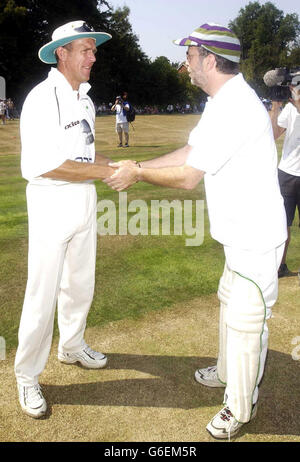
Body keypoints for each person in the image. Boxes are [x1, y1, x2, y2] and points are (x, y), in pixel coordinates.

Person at [104, 23, 287, 439]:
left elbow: (188, 176)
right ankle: (226, 372)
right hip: (240, 233)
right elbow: (191, 151)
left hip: (255, 236)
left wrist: (137, 174)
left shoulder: (236, 105)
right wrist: (138, 166)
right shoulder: (224, 102)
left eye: (188, 57)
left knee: (245, 322)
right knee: (230, 302)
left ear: (208, 57)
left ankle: (239, 407)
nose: (184, 66)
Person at [14, 20, 115, 419]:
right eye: (86, 50)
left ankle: (72, 345)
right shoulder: (42, 98)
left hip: (83, 200)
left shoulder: (85, 99)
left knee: (80, 282)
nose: (93, 57)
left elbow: (88, 157)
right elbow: (47, 165)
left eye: (93, 50)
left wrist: (125, 166)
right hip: (51, 202)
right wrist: (107, 172)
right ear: (63, 53)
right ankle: (27, 375)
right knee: (42, 294)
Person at [269, 78, 300, 278]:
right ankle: (280, 266)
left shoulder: (295, 106)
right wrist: (275, 105)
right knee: (283, 224)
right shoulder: (289, 109)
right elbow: (273, 134)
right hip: (288, 173)